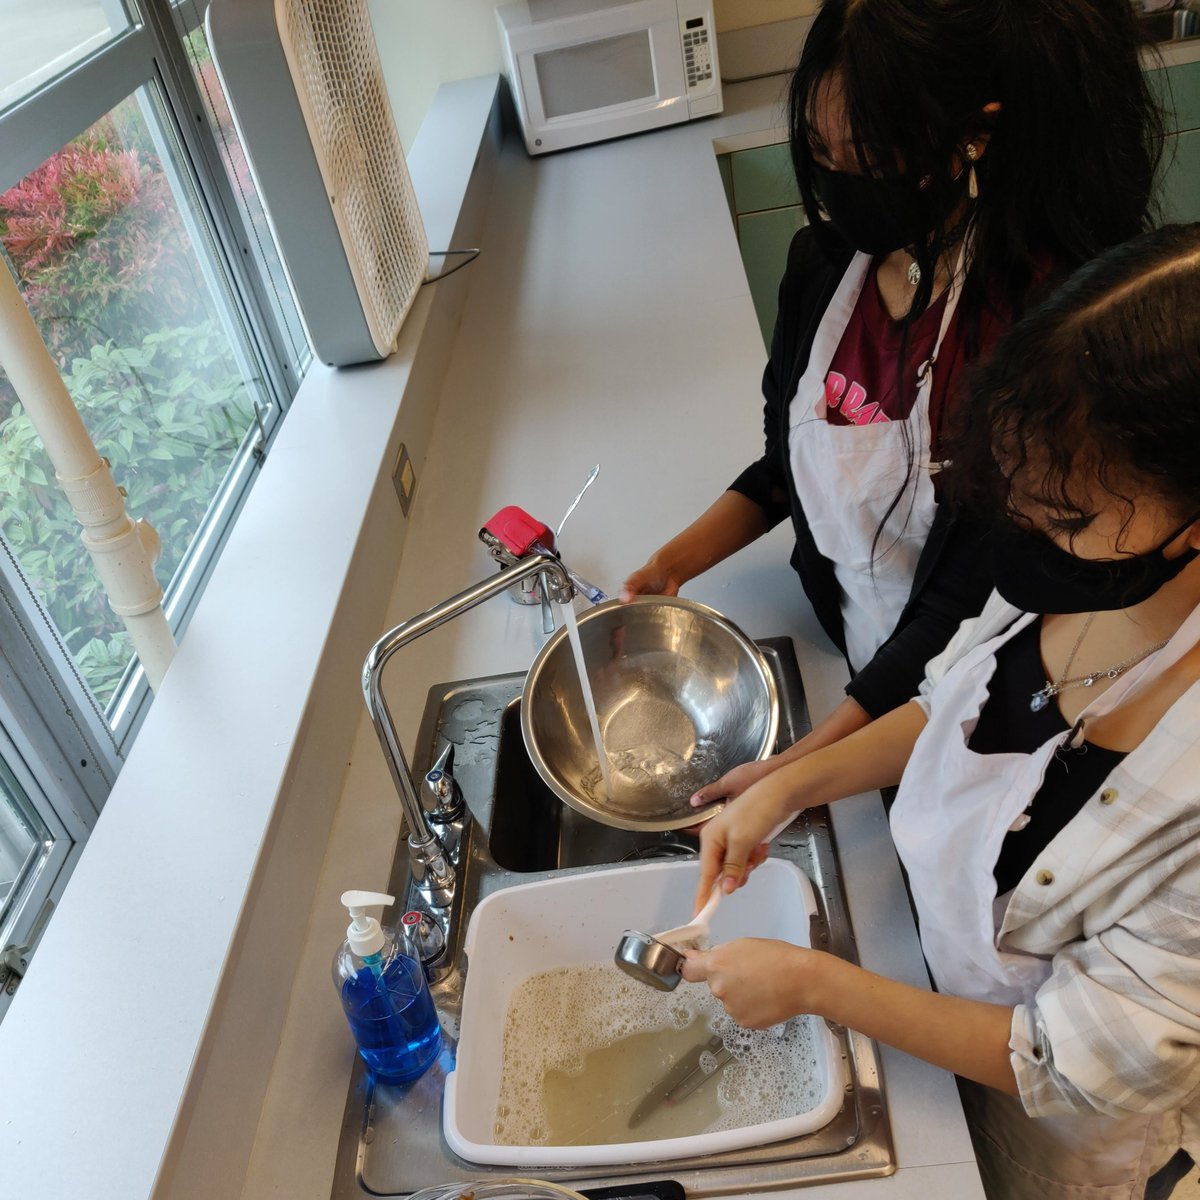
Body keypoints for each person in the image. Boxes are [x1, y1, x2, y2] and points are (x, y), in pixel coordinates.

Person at [682, 223, 1200, 1200]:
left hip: (1060, 1142)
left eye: (1070, 519)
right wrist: (788, 785)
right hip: (926, 1005)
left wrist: (815, 985)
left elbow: (1071, 1069)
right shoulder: (1074, 575)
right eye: (1026, 499)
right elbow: (949, 704)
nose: (1032, 533)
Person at [622, 0, 1163, 801]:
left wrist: (807, 764)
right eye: (817, 147)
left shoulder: (1028, 323)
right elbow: (789, 465)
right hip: (853, 658)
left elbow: (969, 596)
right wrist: (673, 564)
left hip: (953, 692)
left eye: (868, 154)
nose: (840, 180)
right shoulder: (823, 267)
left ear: (968, 138)